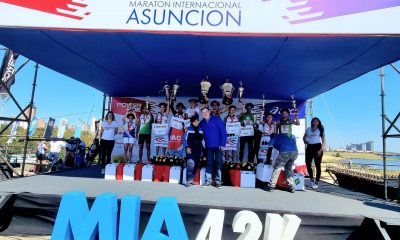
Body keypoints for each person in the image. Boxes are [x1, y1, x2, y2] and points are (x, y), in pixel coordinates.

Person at [200, 106, 227, 189]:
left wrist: (223, 144)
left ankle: (218, 181)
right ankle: (208, 181)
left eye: (206, 112)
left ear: (209, 112)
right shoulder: (202, 123)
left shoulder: (217, 119)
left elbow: (223, 132)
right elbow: (199, 134)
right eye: (203, 112)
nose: (205, 113)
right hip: (208, 146)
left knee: (219, 163)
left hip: (218, 146)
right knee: (209, 163)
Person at [303, 117, 326, 189]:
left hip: (317, 147)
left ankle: (317, 182)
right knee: (307, 163)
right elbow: (304, 137)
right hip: (309, 147)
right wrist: (305, 141)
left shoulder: (320, 130)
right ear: (312, 122)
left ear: (318, 123)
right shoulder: (308, 129)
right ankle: (311, 180)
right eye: (314, 121)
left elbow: (324, 141)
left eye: (317, 121)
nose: (315, 122)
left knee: (317, 165)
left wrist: (321, 150)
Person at [183, 115, 204, 187]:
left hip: (198, 149)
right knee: (190, 164)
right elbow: (184, 139)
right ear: (192, 122)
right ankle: (188, 181)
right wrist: (186, 148)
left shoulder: (201, 129)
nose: (197, 122)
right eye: (195, 121)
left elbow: (202, 140)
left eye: (197, 120)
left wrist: (203, 149)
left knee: (195, 164)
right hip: (190, 149)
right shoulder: (188, 129)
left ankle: (191, 180)